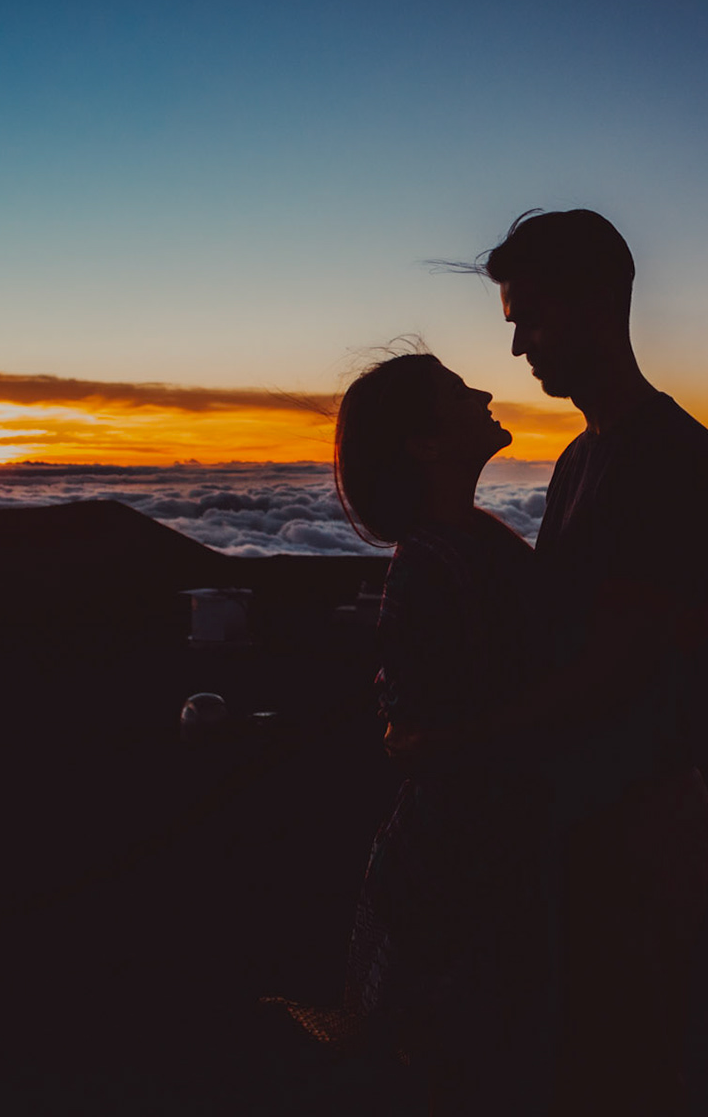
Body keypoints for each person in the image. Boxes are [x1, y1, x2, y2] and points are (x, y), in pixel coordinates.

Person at [396, 210, 708, 1114]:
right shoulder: (584, 457)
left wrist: (454, 741)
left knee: (625, 1064)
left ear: (597, 305)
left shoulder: (666, 456)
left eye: (531, 316)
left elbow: (611, 672)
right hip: (588, 811)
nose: (516, 346)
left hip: (640, 812)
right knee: (584, 1055)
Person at [277, 350, 557, 1115]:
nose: (488, 389)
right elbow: (431, 731)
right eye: (460, 390)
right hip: (467, 860)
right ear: (425, 445)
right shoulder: (440, 560)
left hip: (467, 850)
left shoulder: (466, 542)